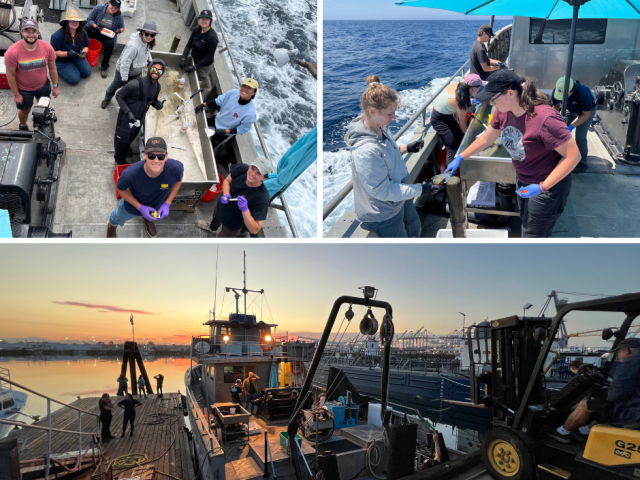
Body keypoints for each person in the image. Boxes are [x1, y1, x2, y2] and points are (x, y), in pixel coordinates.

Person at [445, 70, 581, 238]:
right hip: (522, 179)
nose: (492, 104)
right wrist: (460, 156)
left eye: (493, 99)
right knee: (526, 224)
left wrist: (542, 186)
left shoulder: (545, 118)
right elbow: (488, 137)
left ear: (510, 93)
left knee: (534, 235)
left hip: (547, 187)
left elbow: (573, 156)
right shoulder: (503, 110)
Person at [345, 75, 443, 238]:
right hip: (384, 212)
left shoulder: (379, 126)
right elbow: (382, 190)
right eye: (390, 114)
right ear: (372, 111)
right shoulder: (365, 150)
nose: (394, 117)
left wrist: (405, 148)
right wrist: (421, 189)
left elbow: (385, 152)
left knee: (414, 227)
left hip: (399, 197)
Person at [549, 338, 640, 444]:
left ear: (626, 351)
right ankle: (583, 432)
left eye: (618, 352)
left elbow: (615, 394)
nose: (618, 356)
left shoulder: (630, 364)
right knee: (601, 405)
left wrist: (605, 394)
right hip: (635, 408)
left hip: (630, 412)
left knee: (585, 404)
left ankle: (562, 432)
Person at [108, 137, 183, 238]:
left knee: (150, 215)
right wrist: (140, 207)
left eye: (160, 156)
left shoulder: (176, 169)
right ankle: (112, 225)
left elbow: (178, 181)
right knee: (118, 217)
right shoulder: (130, 174)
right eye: (151, 156)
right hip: (132, 207)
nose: (156, 160)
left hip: (156, 205)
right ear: (144, 156)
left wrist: (167, 203)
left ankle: (147, 218)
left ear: (166, 157)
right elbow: (120, 188)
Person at [195, 157, 272, 237]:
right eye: (252, 168)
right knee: (215, 219)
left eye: (258, 173)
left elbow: (255, 229)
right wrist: (226, 194)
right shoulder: (241, 169)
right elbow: (227, 181)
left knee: (221, 241)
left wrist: (245, 210)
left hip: (233, 225)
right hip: (221, 207)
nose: (252, 174)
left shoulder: (262, 199)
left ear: (264, 178)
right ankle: (211, 228)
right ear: (250, 166)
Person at [4, 19, 58, 132]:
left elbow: (52, 68)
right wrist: (16, 94)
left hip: (43, 86)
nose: (31, 34)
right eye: (27, 31)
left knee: (43, 107)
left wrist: (55, 86)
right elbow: (10, 75)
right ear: (21, 32)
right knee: (25, 110)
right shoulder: (12, 52)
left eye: (34, 31)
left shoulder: (47, 47)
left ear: (38, 32)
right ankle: (23, 125)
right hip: (23, 89)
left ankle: (44, 117)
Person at [112, 58, 165, 166]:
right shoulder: (135, 84)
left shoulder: (157, 87)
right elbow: (119, 95)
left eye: (160, 71)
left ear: (162, 73)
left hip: (139, 119)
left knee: (131, 137)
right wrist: (128, 112)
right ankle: (119, 160)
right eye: (154, 68)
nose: (156, 72)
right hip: (126, 119)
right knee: (121, 140)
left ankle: (126, 147)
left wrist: (157, 104)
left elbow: (152, 100)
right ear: (150, 68)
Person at [431, 73, 486, 165]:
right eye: (479, 87)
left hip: (448, 114)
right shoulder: (460, 103)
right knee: (452, 149)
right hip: (439, 120)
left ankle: (462, 164)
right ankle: (451, 176)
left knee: (460, 137)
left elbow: (460, 98)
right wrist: (473, 141)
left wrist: (471, 101)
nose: (479, 88)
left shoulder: (460, 85)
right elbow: (464, 127)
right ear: (472, 89)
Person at [102, 20, 158, 109]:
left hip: (134, 73)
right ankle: (107, 98)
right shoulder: (133, 46)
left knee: (131, 89)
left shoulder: (148, 42)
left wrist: (149, 61)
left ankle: (127, 101)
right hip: (123, 73)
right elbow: (124, 63)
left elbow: (147, 52)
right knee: (115, 86)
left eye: (152, 35)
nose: (149, 37)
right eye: (147, 34)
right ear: (142, 32)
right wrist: (124, 78)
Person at [194, 78, 258, 149]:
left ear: (254, 92)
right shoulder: (233, 93)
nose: (245, 89)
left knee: (207, 147)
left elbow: (243, 129)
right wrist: (203, 104)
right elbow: (219, 100)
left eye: (249, 88)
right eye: (244, 86)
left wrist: (225, 131)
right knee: (196, 132)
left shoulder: (250, 113)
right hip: (216, 120)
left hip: (224, 133)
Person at [551, 77, 598, 174]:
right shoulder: (557, 91)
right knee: (559, 131)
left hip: (587, 110)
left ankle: (582, 163)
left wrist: (571, 126)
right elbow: (556, 107)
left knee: (580, 136)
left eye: (563, 95)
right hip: (570, 108)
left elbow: (586, 115)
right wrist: (554, 121)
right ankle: (561, 155)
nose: (560, 97)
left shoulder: (583, 93)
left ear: (571, 91)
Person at [85, 0, 126, 78]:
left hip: (107, 34)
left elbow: (122, 28)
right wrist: (96, 27)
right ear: (109, 3)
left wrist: (116, 32)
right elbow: (89, 19)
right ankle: (79, 51)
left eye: (116, 8)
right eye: (112, 6)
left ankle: (105, 65)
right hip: (95, 29)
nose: (113, 9)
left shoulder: (119, 15)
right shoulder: (99, 8)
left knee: (110, 44)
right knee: (83, 31)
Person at [50, 10, 91, 86]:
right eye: (72, 20)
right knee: (75, 80)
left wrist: (84, 53)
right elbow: (53, 52)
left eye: (77, 21)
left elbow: (86, 46)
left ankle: (73, 66)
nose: (74, 22)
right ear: (67, 22)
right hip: (62, 61)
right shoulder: (57, 36)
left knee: (86, 73)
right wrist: (67, 54)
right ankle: (57, 68)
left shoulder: (82, 32)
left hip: (77, 56)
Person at [180, 10, 219, 88]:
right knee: (185, 76)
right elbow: (189, 45)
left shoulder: (212, 37)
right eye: (202, 18)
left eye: (206, 19)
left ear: (210, 21)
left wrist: (195, 67)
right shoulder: (197, 29)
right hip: (194, 57)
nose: (203, 21)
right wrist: (183, 59)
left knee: (195, 86)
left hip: (204, 65)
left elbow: (209, 57)